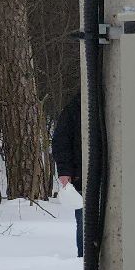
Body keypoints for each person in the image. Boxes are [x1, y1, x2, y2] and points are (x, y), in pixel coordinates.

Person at [52, 94, 82, 255]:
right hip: (81, 174)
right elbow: (61, 141)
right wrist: (64, 171)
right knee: (85, 221)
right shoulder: (75, 107)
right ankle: (83, 259)